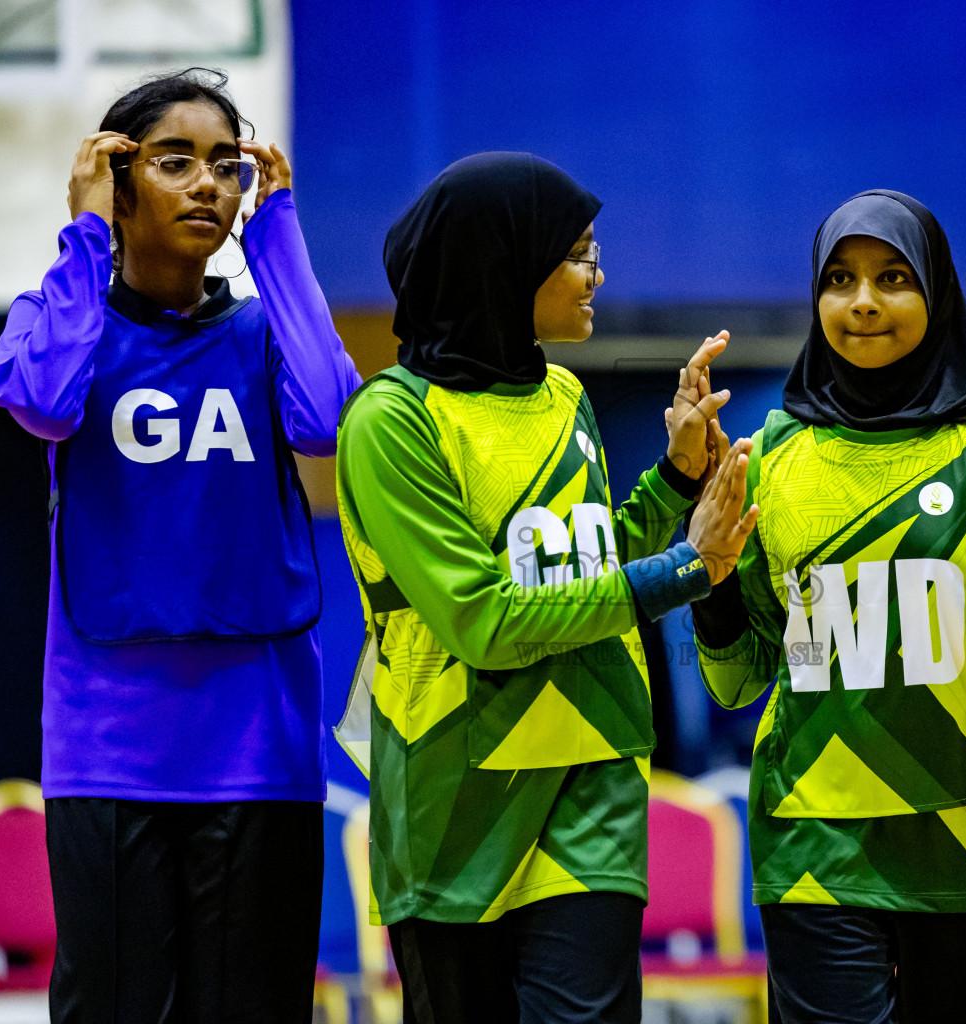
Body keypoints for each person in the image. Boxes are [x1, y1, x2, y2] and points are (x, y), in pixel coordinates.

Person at [333, 151, 758, 1024]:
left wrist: (676, 481)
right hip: (457, 792)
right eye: (577, 255)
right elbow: (483, 619)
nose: (598, 276)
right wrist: (687, 566)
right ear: (503, 265)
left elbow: (587, 569)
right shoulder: (392, 419)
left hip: (591, 774)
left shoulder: (564, 395)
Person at [0, 68, 361, 1023]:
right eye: (174, 162)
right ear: (116, 179)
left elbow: (325, 419)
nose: (206, 185)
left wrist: (278, 233)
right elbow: (43, 402)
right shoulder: (54, 317)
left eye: (225, 167)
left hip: (259, 741)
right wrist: (82, 239)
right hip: (109, 741)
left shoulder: (267, 329)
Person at [692, 190, 966, 1024]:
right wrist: (713, 575)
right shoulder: (776, 456)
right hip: (811, 844)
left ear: (935, 294)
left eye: (893, 277)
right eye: (840, 278)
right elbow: (738, 678)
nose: (863, 300)